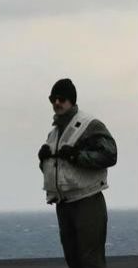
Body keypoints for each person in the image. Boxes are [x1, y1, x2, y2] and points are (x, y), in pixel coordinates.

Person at [38, 78, 117, 268]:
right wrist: (44, 160)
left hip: (87, 201)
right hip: (63, 203)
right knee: (73, 260)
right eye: (53, 99)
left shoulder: (89, 124)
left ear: (72, 100)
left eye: (62, 98)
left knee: (91, 261)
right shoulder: (54, 133)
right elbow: (57, 170)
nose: (57, 102)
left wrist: (76, 156)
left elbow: (110, 154)